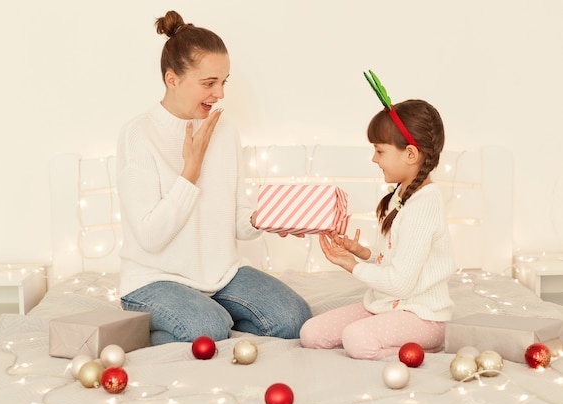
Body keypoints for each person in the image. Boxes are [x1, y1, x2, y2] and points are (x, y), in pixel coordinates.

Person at [116, 10, 312, 346]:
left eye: (224, 82)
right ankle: (192, 322)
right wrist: (190, 172)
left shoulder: (225, 130)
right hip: (155, 279)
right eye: (209, 83)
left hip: (222, 276)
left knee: (295, 319)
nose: (220, 94)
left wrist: (263, 218)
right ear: (172, 79)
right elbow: (150, 237)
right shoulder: (140, 134)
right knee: (206, 328)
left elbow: (236, 219)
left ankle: (203, 322)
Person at [299, 75, 455, 360]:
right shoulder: (401, 194)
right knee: (311, 333)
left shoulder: (424, 205)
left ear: (410, 154)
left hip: (422, 316)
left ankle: (424, 349)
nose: (374, 159)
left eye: (379, 151)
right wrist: (363, 253)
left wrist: (352, 266)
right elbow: (396, 260)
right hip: (385, 306)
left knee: (356, 339)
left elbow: (401, 284)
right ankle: (382, 337)